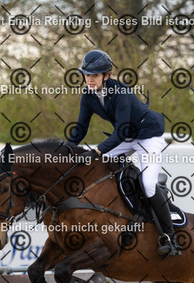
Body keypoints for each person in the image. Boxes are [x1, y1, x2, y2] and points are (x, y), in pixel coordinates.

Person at [66, 49, 181, 257]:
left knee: (148, 184)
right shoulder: (88, 95)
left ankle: (170, 237)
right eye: (86, 75)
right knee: (96, 168)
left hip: (148, 136)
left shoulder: (121, 92)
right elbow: (81, 129)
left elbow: (120, 131)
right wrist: (65, 150)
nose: (89, 80)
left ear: (106, 76)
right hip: (127, 138)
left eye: (94, 75)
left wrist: (97, 150)